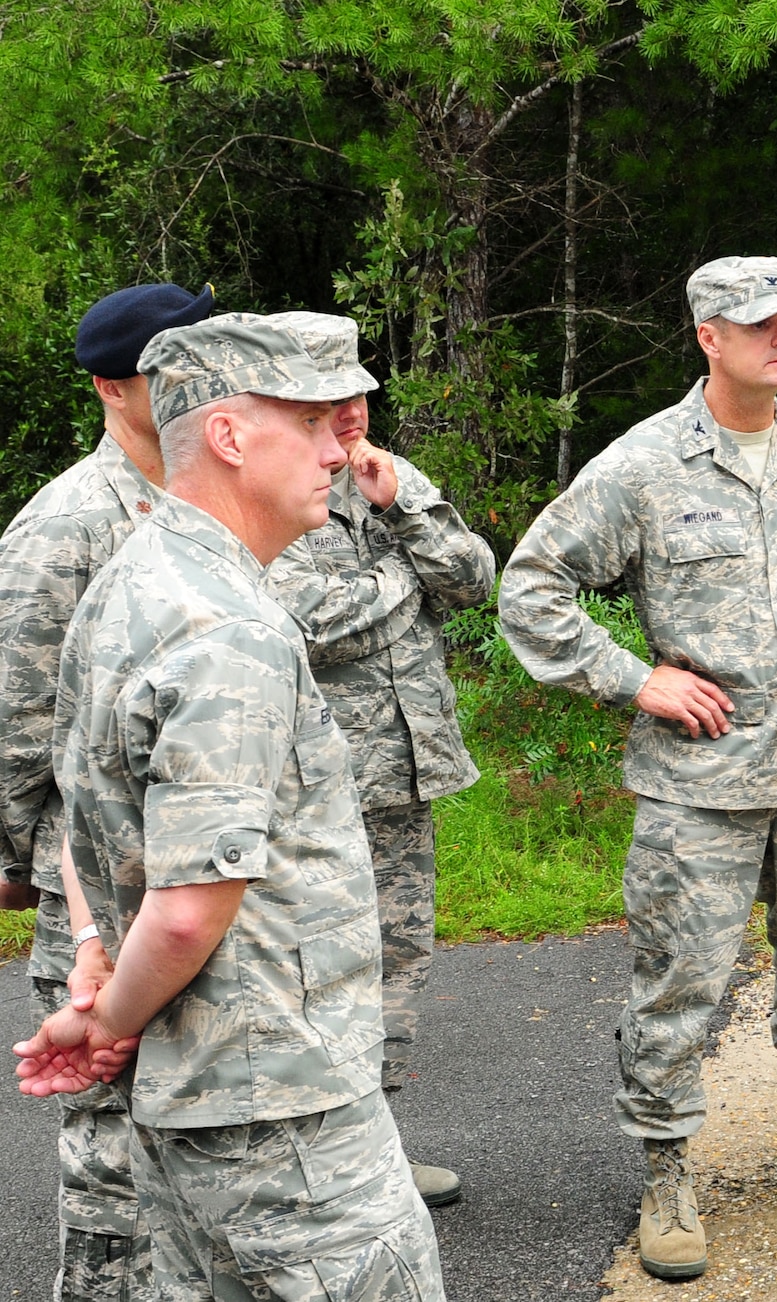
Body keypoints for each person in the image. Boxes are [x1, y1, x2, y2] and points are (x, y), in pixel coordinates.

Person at [498, 254, 777, 1280]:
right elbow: (532, 586)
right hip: (698, 789)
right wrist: (631, 679)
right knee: (681, 984)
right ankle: (664, 1170)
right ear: (708, 337)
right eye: (757, 324)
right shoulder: (646, 465)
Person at [12, 315, 447, 1300]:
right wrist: (106, 1019)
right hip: (282, 1116)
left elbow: (89, 811)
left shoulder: (137, 581)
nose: (343, 447)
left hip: (205, 1105)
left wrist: (92, 958)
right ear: (230, 436)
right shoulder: (227, 630)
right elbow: (184, 906)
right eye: (314, 421)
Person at [0, 281, 214, 1300]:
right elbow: (15, 724)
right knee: (113, 1159)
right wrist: (13, 864)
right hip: (97, 887)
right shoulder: (65, 526)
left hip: (206, 875)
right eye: (166, 366)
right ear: (111, 390)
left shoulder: (210, 496)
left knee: (202, 1143)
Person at [263, 311, 495, 1209]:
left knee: (397, 964)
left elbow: (474, 580)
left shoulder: (385, 475)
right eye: (330, 396)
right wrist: (406, 577)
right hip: (316, 786)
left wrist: (401, 509)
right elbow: (310, 623)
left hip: (406, 774)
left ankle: (373, 1149)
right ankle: (300, 1160)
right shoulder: (275, 489)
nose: (352, 408)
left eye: (359, 389)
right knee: (310, 969)